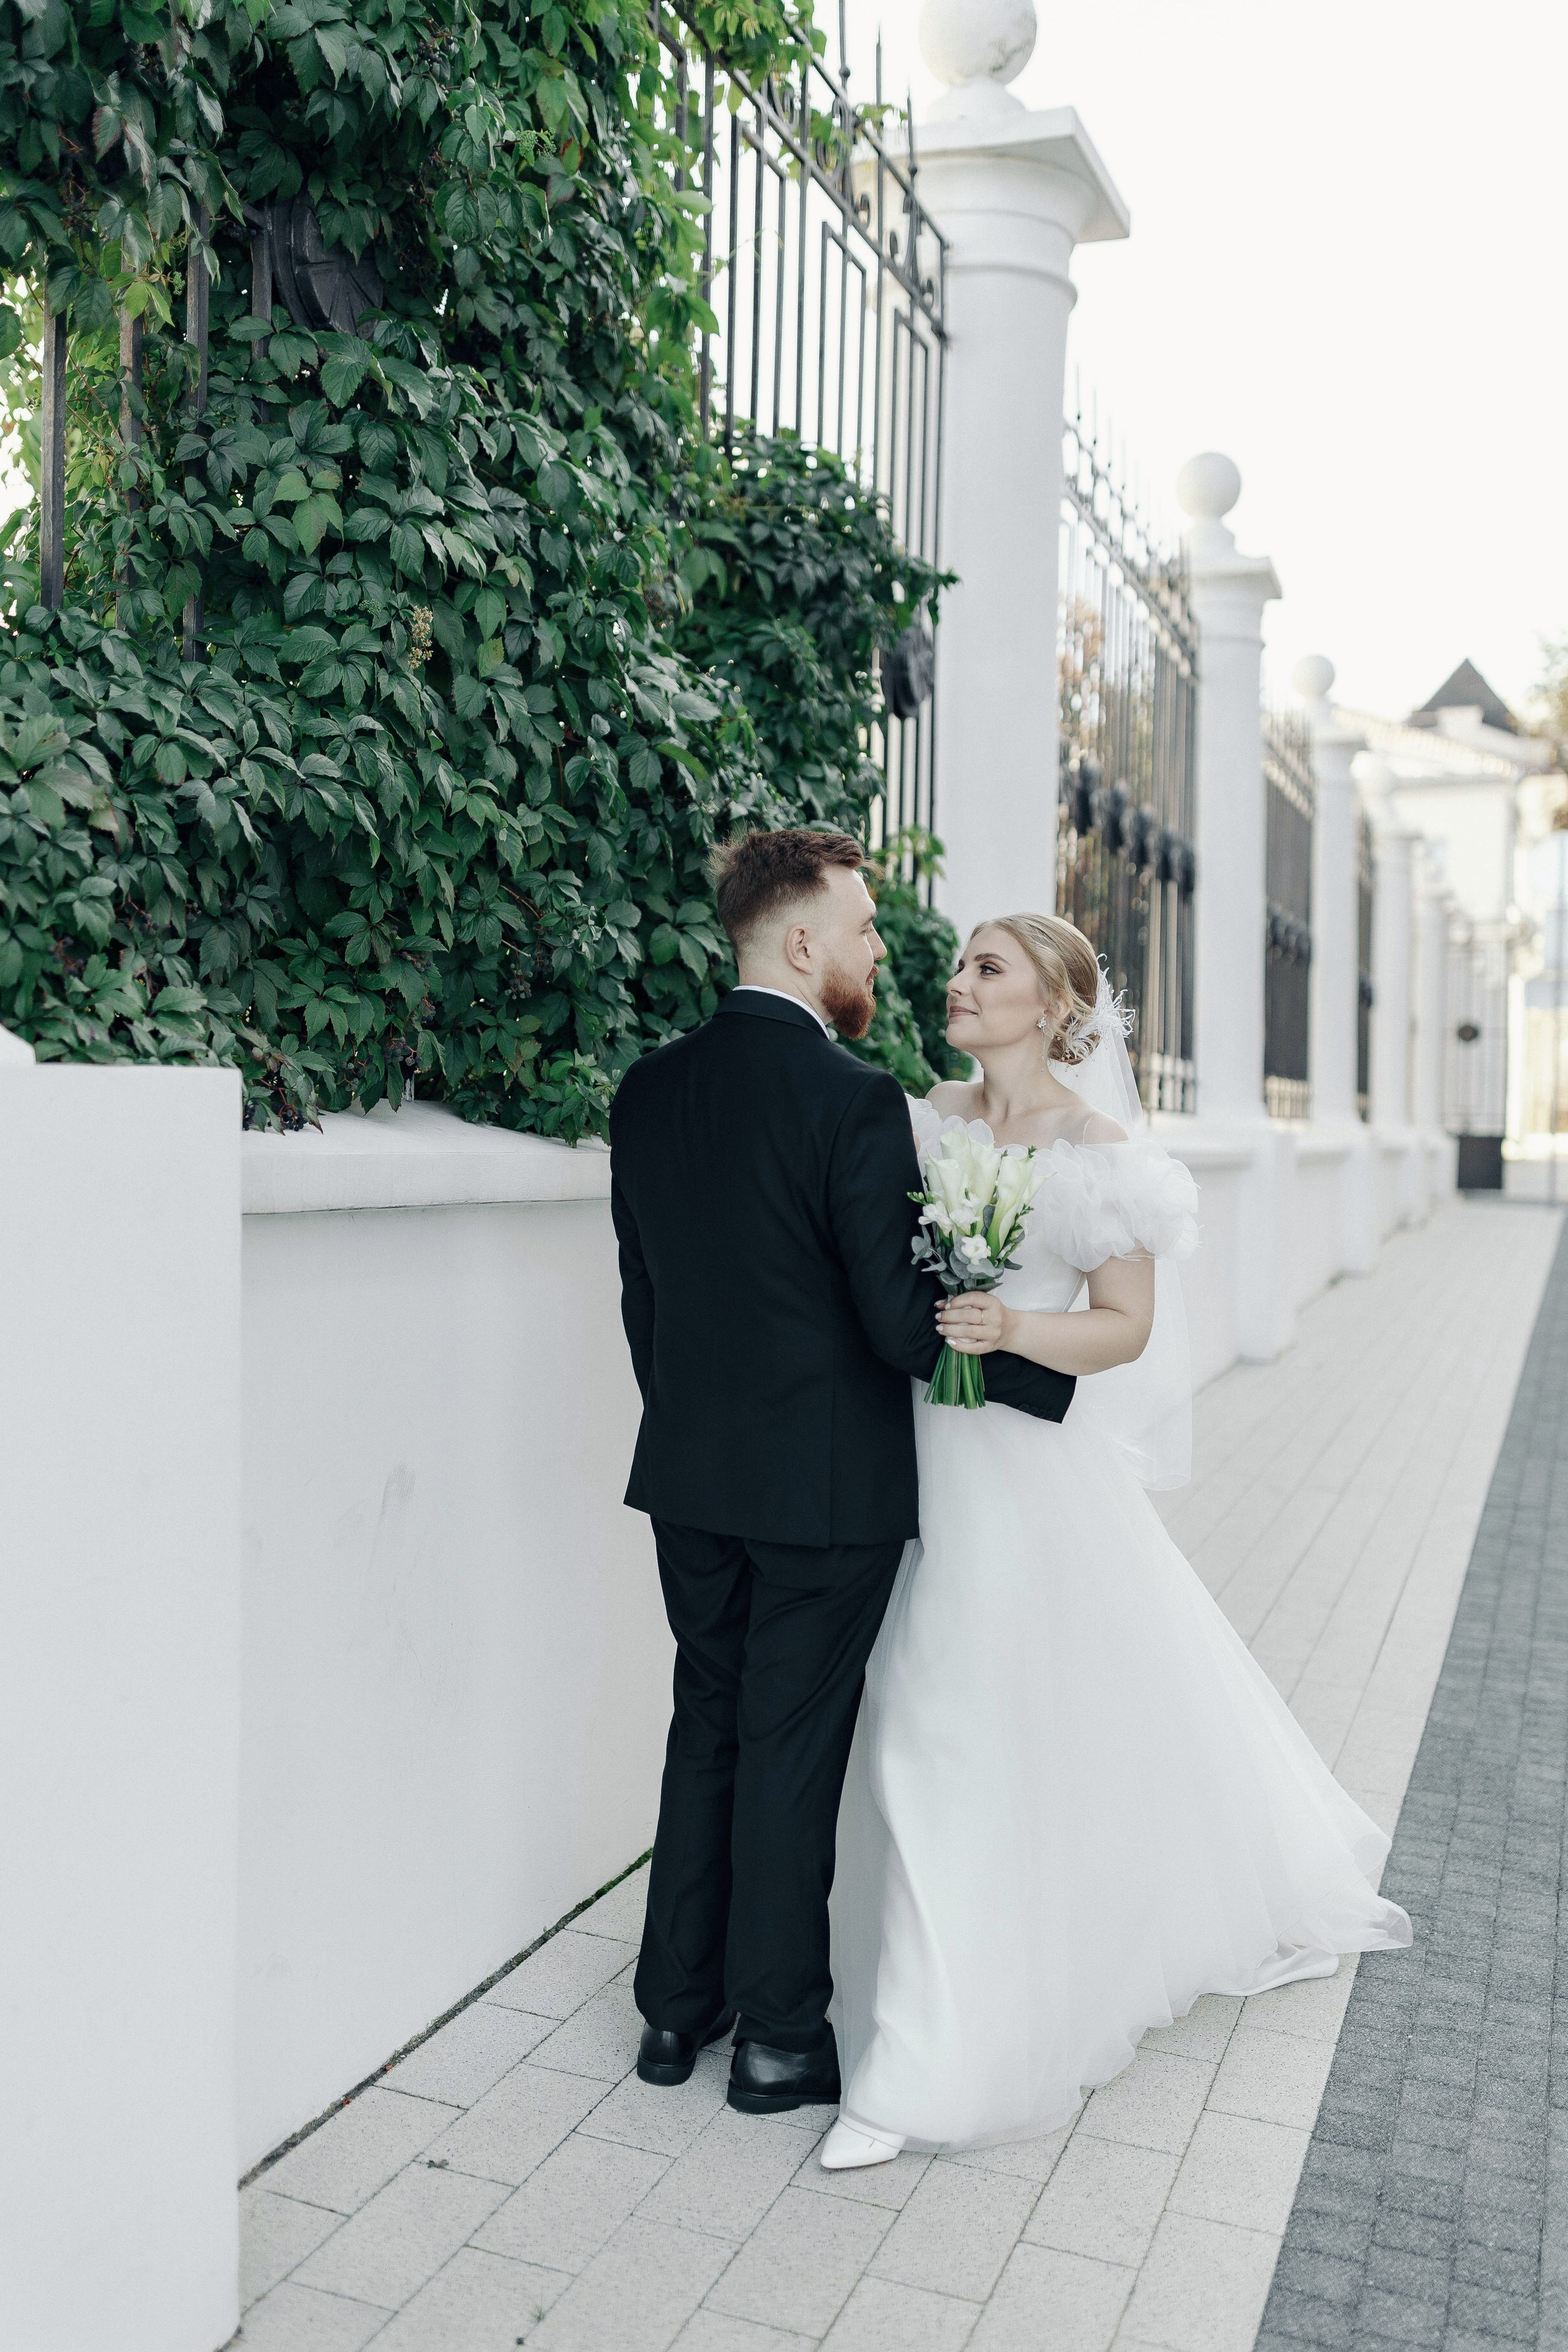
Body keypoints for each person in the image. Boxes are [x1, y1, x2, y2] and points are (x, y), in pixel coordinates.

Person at [822, 911, 1411, 2169]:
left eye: (989, 967)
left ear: (1051, 1005)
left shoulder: (1104, 1159)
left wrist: (1007, 1328)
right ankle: (885, 1978)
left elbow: (1126, 1327)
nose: (957, 983)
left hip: (1021, 1464)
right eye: (957, 965)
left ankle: (930, 2057)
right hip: (905, 1453)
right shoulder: (918, 1119)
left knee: (949, 1709)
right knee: (913, 1706)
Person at [608, 832, 1076, 2116]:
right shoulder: (850, 1097)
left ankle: (668, 2017)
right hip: (821, 1492)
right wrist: (1040, 1377)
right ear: (801, 942)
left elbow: (643, 1305)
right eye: (865, 927)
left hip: (689, 1477)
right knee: (789, 1746)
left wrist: (701, 1427)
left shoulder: (646, 1090)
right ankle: (774, 2041)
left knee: (706, 1724)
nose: (881, 950)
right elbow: (889, 1324)